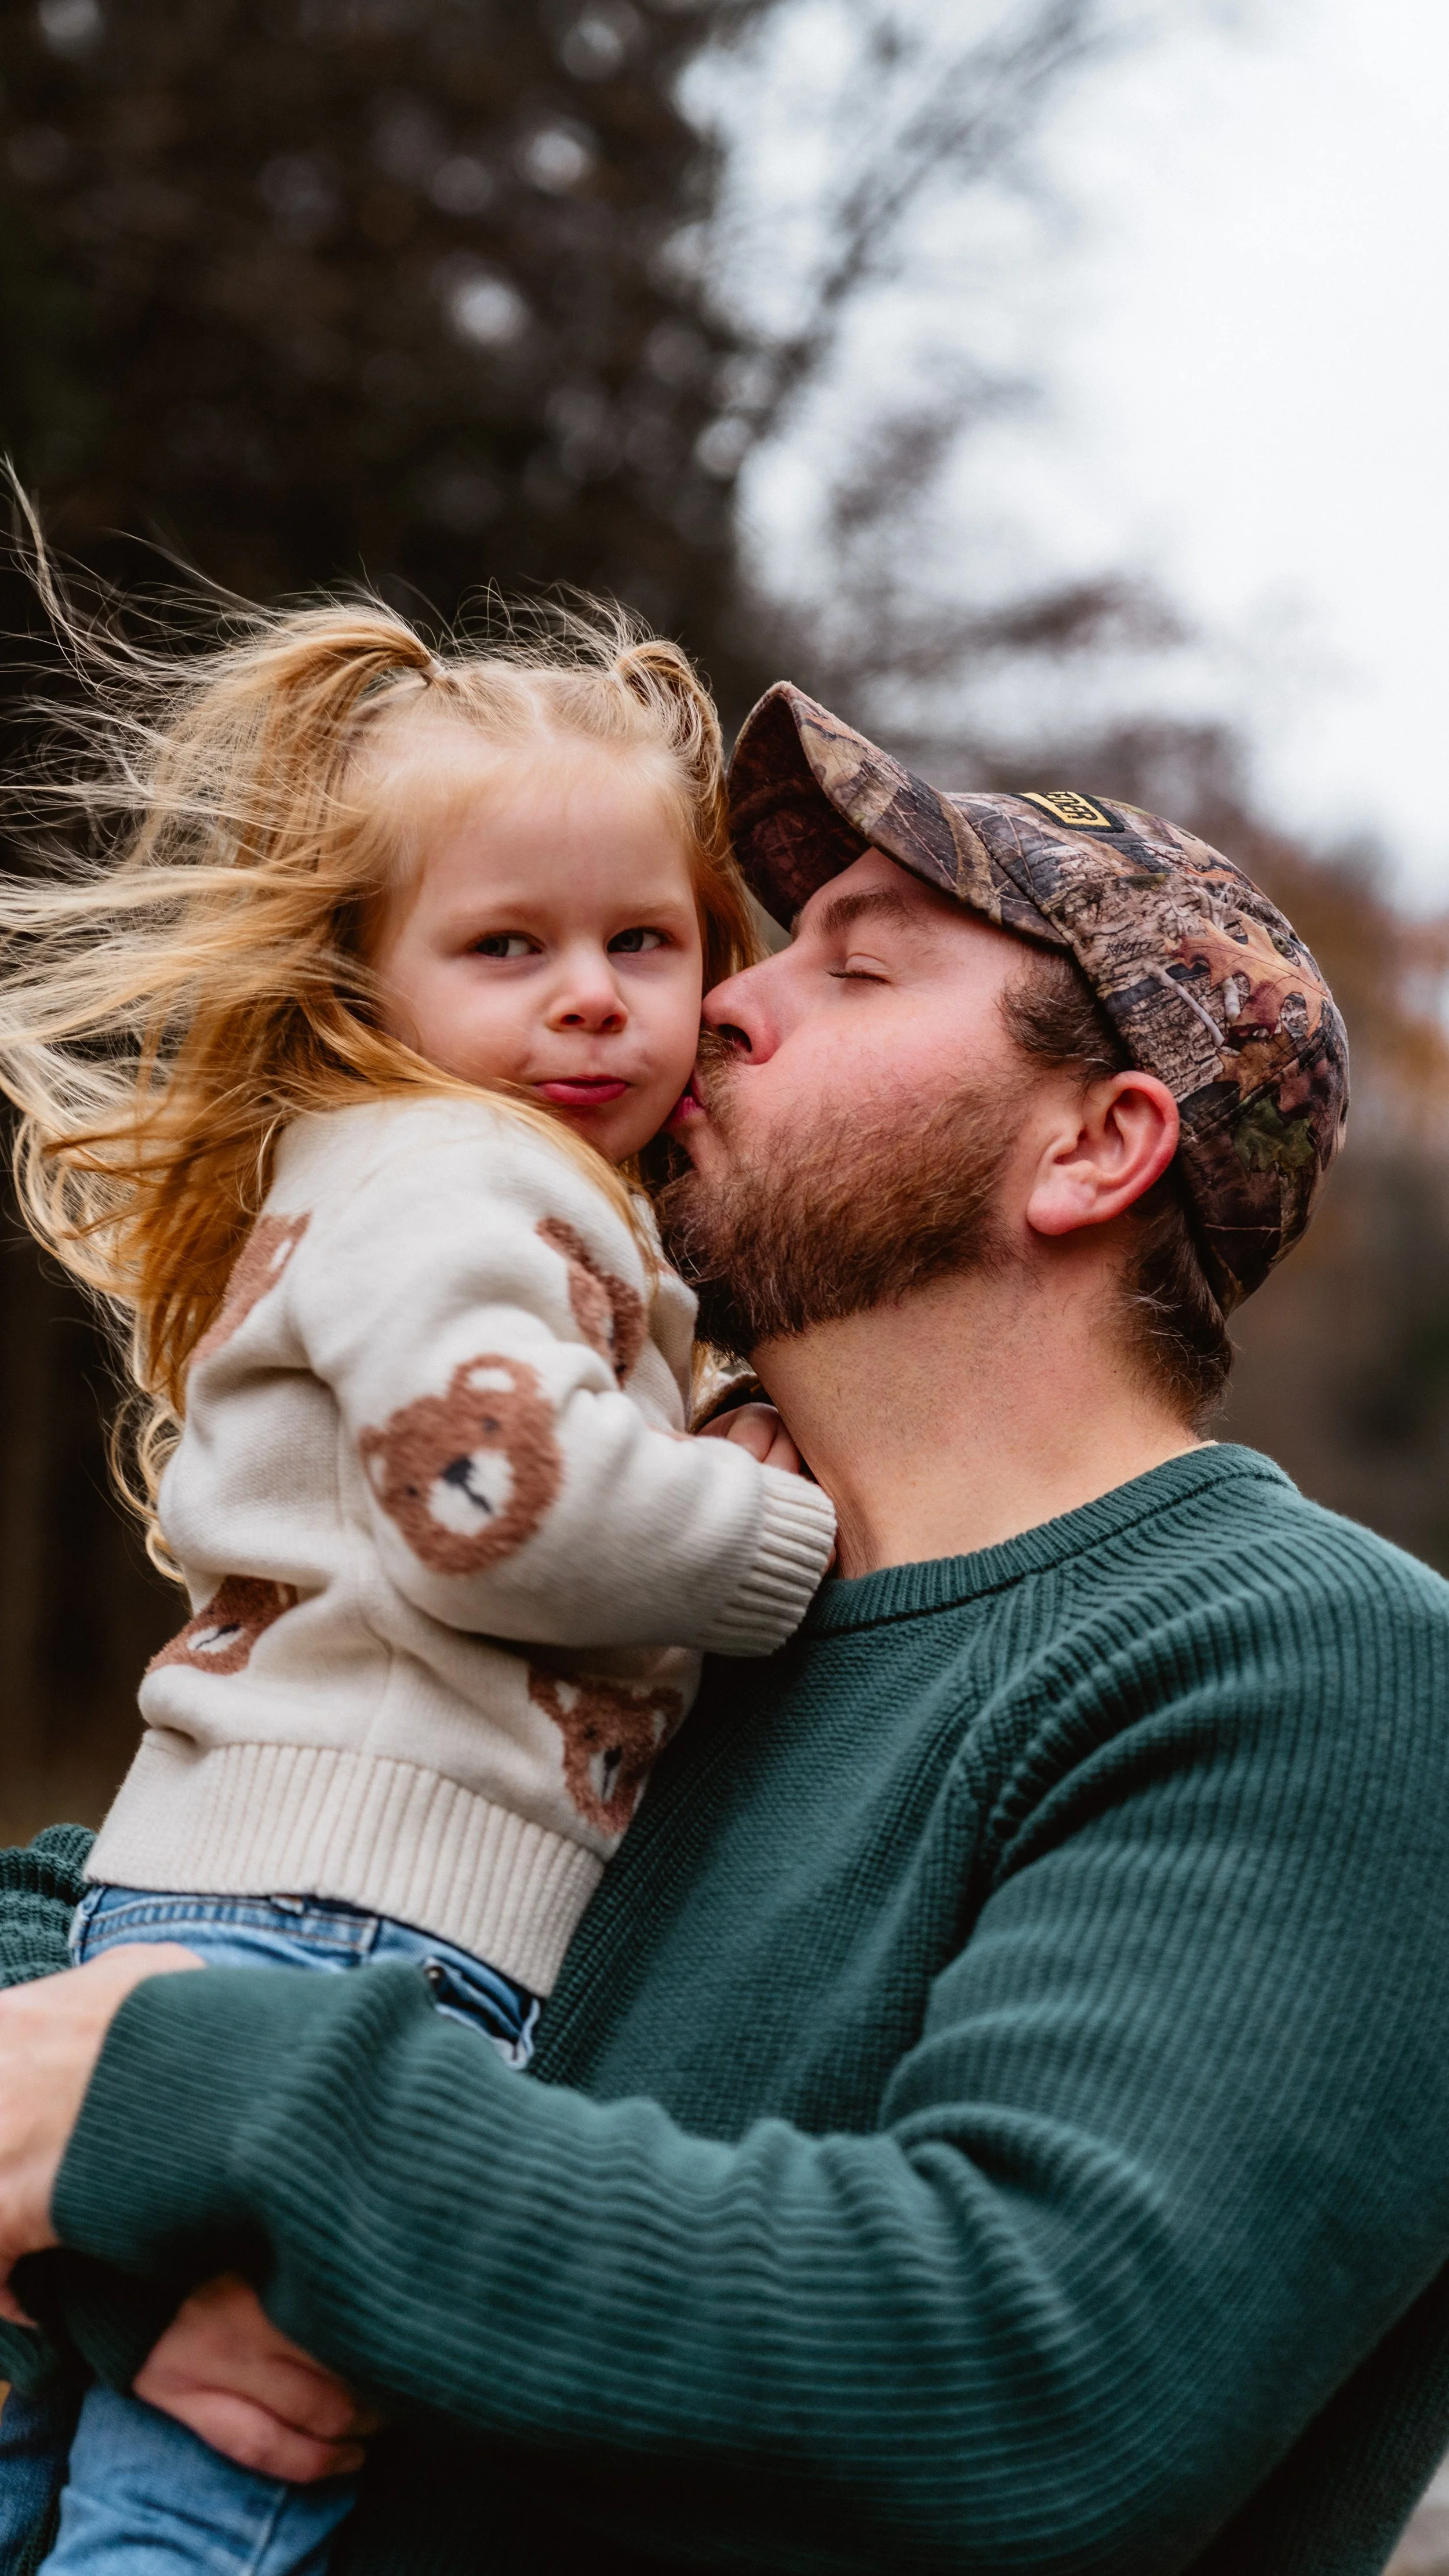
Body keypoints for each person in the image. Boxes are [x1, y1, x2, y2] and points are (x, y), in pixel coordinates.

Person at [1, 685, 1448, 2576]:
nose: (724, 1004)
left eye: (854, 971)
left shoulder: (1312, 1661)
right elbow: (144, 1898)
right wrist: (167, 2233)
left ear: (1095, 1148)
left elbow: (1025, 2375)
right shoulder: (656, 1600)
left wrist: (184, 2118)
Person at [0, 612, 835, 2573]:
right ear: (367, 977)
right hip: (363, 1936)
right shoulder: (470, 1176)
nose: (590, 1003)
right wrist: (783, 1539)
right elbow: (496, 1503)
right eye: (506, 948)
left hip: (215, 1905)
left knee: (98, 2447)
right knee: (220, 2476)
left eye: (645, 942)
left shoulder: (408, 1188)